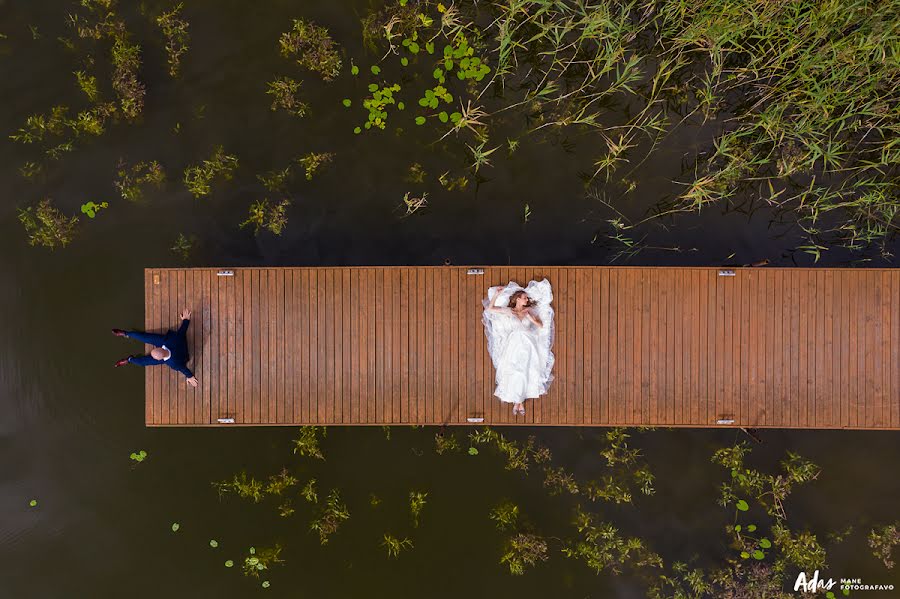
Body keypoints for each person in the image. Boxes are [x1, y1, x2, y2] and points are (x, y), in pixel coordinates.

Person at [482, 279, 555, 416]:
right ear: (517, 299)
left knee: (525, 369)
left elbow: (540, 325)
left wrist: (530, 317)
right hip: (514, 343)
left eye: (527, 298)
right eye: (524, 298)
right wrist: (497, 295)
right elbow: (490, 309)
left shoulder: (528, 311)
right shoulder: (509, 311)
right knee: (514, 369)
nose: (527, 300)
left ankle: (518, 401)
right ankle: (518, 401)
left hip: (528, 342)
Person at [112, 308, 199, 387]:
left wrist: (190, 376)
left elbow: (183, 368)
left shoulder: (173, 363)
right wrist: (186, 320)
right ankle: (125, 334)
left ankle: (129, 359)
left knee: (143, 361)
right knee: (144, 337)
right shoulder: (173, 341)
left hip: (172, 346)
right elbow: (182, 332)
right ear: (161, 348)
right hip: (172, 343)